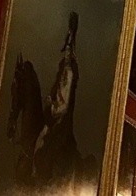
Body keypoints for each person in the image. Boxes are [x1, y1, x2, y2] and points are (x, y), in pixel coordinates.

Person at [33, 12, 83, 186]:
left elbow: (65, 105)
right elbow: (56, 91)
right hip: (54, 115)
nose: (67, 52)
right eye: (66, 49)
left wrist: (53, 107)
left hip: (61, 120)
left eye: (70, 49)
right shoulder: (62, 70)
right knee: (38, 138)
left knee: (47, 145)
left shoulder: (69, 74)